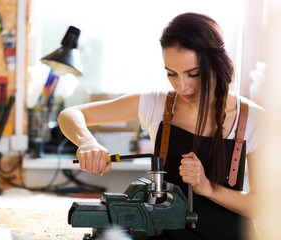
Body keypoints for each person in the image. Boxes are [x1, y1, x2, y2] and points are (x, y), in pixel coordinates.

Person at [57, 12, 264, 240]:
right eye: (171, 74)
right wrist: (87, 141)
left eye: (192, 74)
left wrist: (207, 187)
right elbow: (70, 114)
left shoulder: (255, 119)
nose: (181, 86)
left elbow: (262, 206)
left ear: (216, 64)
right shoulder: (156, 104)